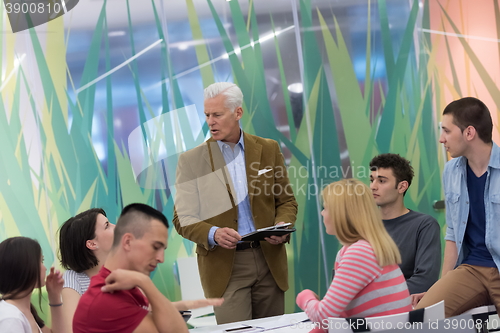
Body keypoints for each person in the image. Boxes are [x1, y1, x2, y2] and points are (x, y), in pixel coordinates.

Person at [173, 82, 298, 324]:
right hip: (224, 266)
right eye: (207, 115)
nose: (210, 121)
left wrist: (282, 224)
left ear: (238, 113)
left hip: (269, 259)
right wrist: (214, 233)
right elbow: (182, 218)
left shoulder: (269, 149)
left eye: (217, 114)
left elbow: (286, 201)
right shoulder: (191, 161)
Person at [414, 97, 500, 317]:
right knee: (424, 318)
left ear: (469, 133)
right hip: (471, 269)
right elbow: (452, 233)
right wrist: (443, 285)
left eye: (446, 131)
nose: (441, 139)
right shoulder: (451, 171)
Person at [296, 179, 411, 333]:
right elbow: (336, 315)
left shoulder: (359, 253)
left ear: (340, 215)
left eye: (325, 208)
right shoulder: (365, 248)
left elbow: (324, 316)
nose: (322, 213)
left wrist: (304, 296)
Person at [73, 203, 189, 333]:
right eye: (155, 247)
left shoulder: (126, 282)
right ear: (127, 242)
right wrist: (144, 282)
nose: (160, 258)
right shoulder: (105, 298)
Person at [369, 153, 441, 294]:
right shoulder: (361, 226)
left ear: (402, 187)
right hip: (363, 309)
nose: (373, 186)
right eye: (371, 180)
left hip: (403, 308)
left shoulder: (424, 225)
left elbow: (425, 280)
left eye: (382, 181)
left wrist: (375, 297)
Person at [59, 208, 115, 333]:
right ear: (92, 244)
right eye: (107, 226)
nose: (116, 226)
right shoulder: (73, 278)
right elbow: (71, 329)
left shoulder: (123, 271)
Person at [0, 237, 65, 333]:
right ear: (25, 266)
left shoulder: (25, 311)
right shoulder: (11, 318)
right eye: (41, 261)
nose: (45, 268)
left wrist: (54, 296)